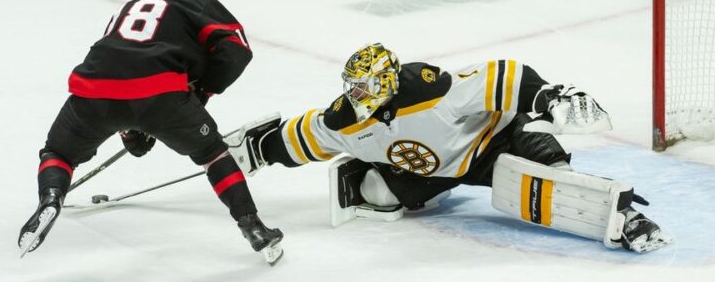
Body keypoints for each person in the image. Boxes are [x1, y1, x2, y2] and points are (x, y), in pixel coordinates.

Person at [228, 43, 673, 253]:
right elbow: (308, 135)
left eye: (364, 87)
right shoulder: (348, 118)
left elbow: (502, 75)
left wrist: (548, 95)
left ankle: (625, 217)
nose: (355, 95)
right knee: (378, 192)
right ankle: (430, 191)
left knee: (546, 165)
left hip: (491, 143)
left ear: (385, 81)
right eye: (352, 87)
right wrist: (259, 149)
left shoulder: (431, 90)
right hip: (437, 171)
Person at [18, 0, 283, 265]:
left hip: (95, 88)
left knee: (58, 153)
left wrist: (130, 128)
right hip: (161, 95)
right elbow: (237, 50)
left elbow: (123, 68)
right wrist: (204, 89)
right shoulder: (197, 2)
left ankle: (51, 196)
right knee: (214, 155)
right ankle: (253, 228)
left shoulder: (129, 6)